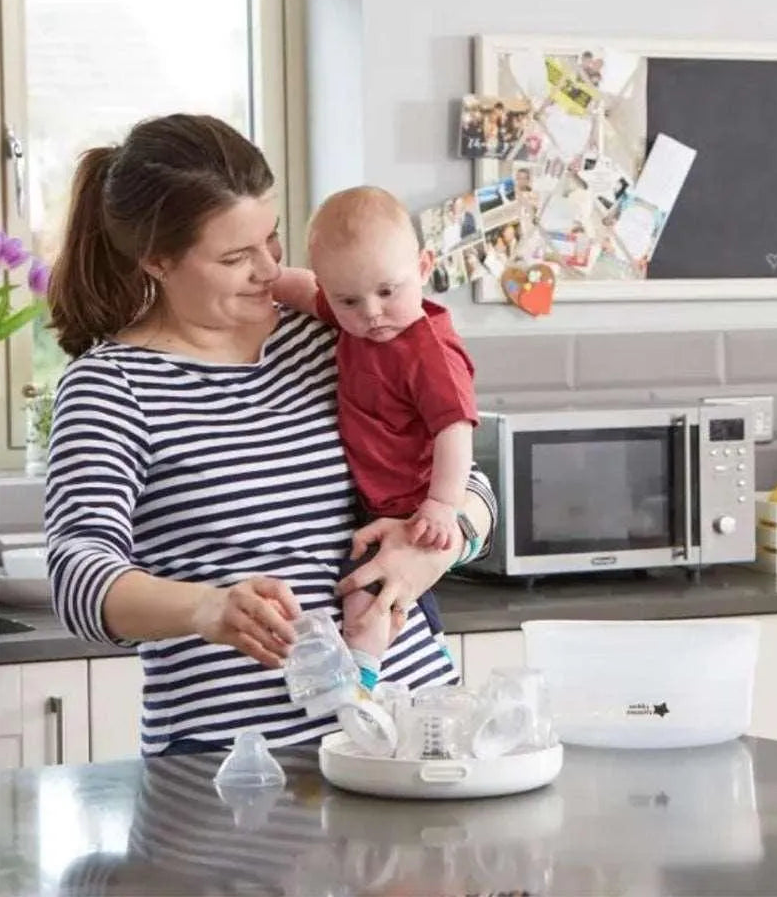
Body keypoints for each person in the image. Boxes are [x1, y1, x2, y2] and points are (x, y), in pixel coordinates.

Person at [44, 114, 496, 755]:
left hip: (410, 735)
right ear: (158, 261)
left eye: (273, 241)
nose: (268, 270)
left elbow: (466, 483)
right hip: (235, 759)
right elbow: (78, 577)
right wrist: (206, 609)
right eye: (235, 257)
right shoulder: (113, 387)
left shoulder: (331, 334)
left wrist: (433, 551)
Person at [272, 186, 479, 688]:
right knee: (372, 585)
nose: (371, 313)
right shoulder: (352, 319)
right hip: (376, 499)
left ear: (424, 266)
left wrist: (442, 506)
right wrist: (268, 279)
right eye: (349, 300)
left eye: (388, 292)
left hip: (412, 503)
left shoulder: (427, 350)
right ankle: (402, 643)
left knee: (362, 594)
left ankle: (361, 673)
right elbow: (305, 291)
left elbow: (455, 429)